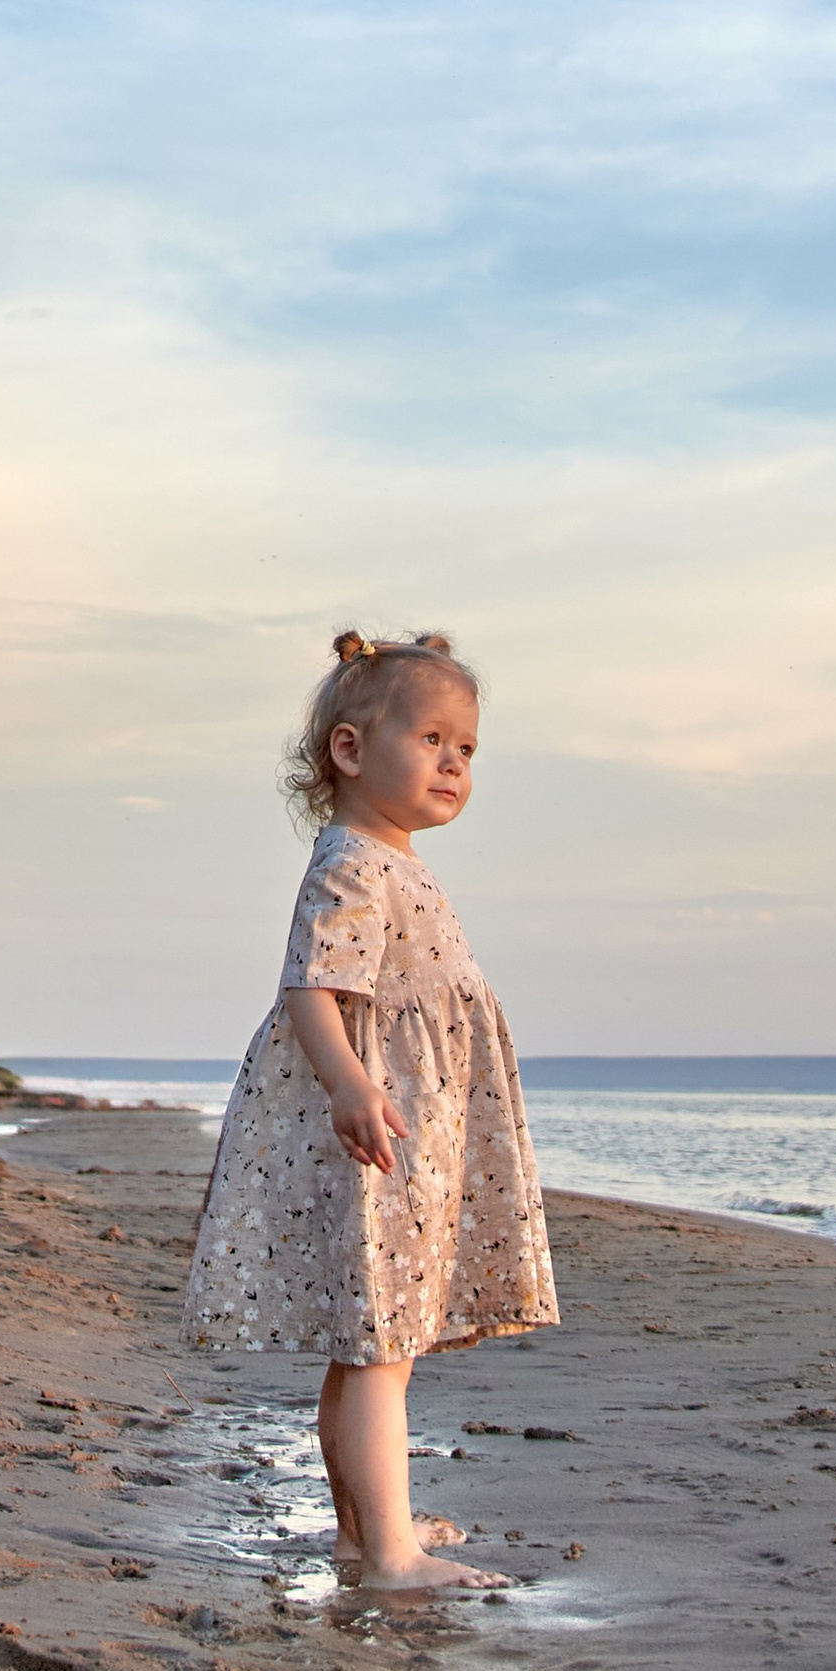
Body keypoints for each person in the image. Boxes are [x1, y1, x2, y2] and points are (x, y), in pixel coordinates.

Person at [182, 628, 558, 1590]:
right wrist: (354, 1085)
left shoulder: (390, 859)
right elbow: (310, 987)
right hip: (381, 1127)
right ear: (350, 751)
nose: (454, 764)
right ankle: (389, 1553)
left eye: (467, 750)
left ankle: (364, 1531)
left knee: (373, 1342)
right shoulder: (354, 862)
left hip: (404, 1126)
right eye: (432, 739)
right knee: (382, 1346)